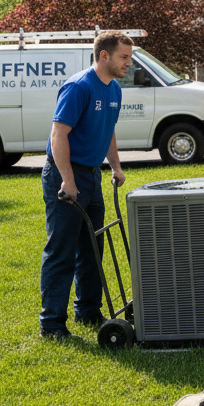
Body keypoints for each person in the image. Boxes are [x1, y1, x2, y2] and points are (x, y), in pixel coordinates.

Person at [38, 30, 133, 339]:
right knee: (61, 250)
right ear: (104, 55)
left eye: (129, 58)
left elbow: (108, 130)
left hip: (92, 176)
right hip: (65, 175)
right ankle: (52, 324)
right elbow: (58, 135)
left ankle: (88, 311)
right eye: (124, 57)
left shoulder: (114, 89)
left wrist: (115, 166)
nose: (128, 63)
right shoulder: (79, 87)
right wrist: (67, 179)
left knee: (92, 248)